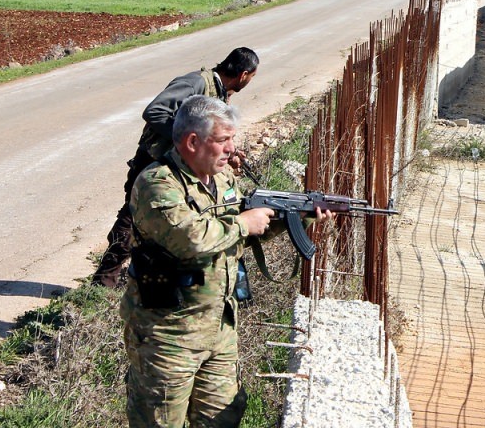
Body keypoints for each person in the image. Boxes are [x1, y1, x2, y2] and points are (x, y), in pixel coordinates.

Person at [120, 95, 333, 427]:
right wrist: (242, 223)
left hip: (219, 327)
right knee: (159, 421)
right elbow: (190, 238)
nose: (232, 148)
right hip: (167, 335)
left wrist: (297, 217)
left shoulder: (222, 180)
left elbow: (241, 233)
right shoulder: (157, 183)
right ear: (193, 141)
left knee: (222, 418)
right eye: (224, 140)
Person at [93, 47, 260, 288]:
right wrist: (188, 139)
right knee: (132, 219)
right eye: (253, 77)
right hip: (152, 162)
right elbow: (154, 111)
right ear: (244, 75)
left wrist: (225, 151)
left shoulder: (219, 92)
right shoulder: (195, 83)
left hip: (177, 165)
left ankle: (142, 277)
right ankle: (103, 281)